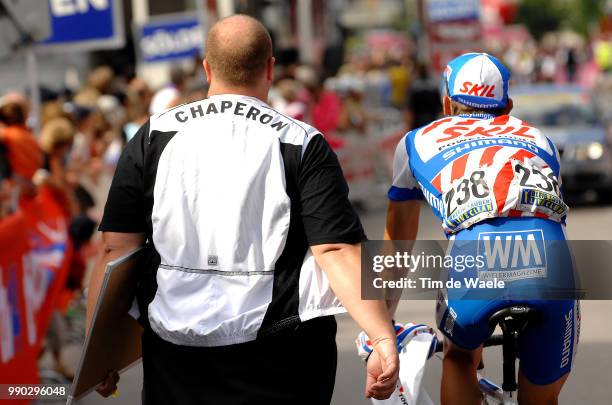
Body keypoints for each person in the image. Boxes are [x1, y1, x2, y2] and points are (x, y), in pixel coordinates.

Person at [88, 14, 398, 405]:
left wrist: (96, 352)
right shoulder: (302, 142)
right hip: (282, 351)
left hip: (177, 353)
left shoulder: (153, 135)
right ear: (270, 68)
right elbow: (335, 250)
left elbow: (116, 251)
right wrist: (382, 337)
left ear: (207, 68)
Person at [385, 53, 578, 405]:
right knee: (543, 397)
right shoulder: (540, 139)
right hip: (548, 262)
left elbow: (398, 243)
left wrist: (383, 321)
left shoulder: (415, 142)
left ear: (446, 102)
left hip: (476, 260)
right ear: (509, 105)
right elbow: (557, 221)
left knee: (458, 356)